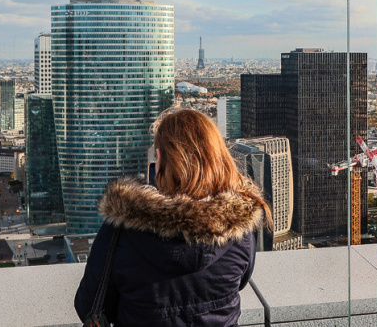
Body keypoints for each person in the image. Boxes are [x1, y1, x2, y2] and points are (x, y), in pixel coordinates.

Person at [75, 108, 272, 327]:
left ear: (158, 158)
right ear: (218, 158)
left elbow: (89, 305)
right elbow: (241, 281)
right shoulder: (240, 228)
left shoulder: (121, 229)